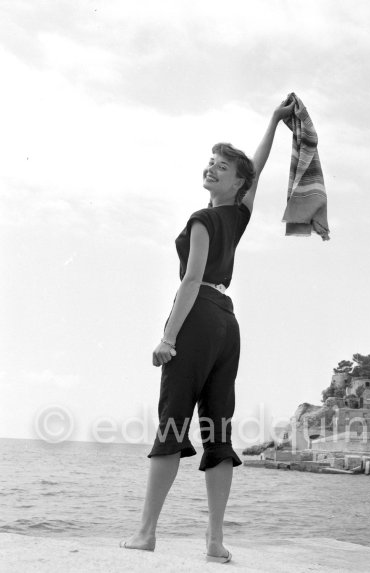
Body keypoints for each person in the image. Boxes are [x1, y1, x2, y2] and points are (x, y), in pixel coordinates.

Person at [120, 99, 295, 563]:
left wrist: (168, 338)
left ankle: (145, 532)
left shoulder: (203, 219)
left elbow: (190, 281)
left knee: (172, 423)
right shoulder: (237, 217)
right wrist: (274, 122)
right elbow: (256, 168)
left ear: (237, 182)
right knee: (218, 429)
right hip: (228, 324)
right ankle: (215, 541)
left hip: (197, 320)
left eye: (222, 166)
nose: (212, 168)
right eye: (210, 163)